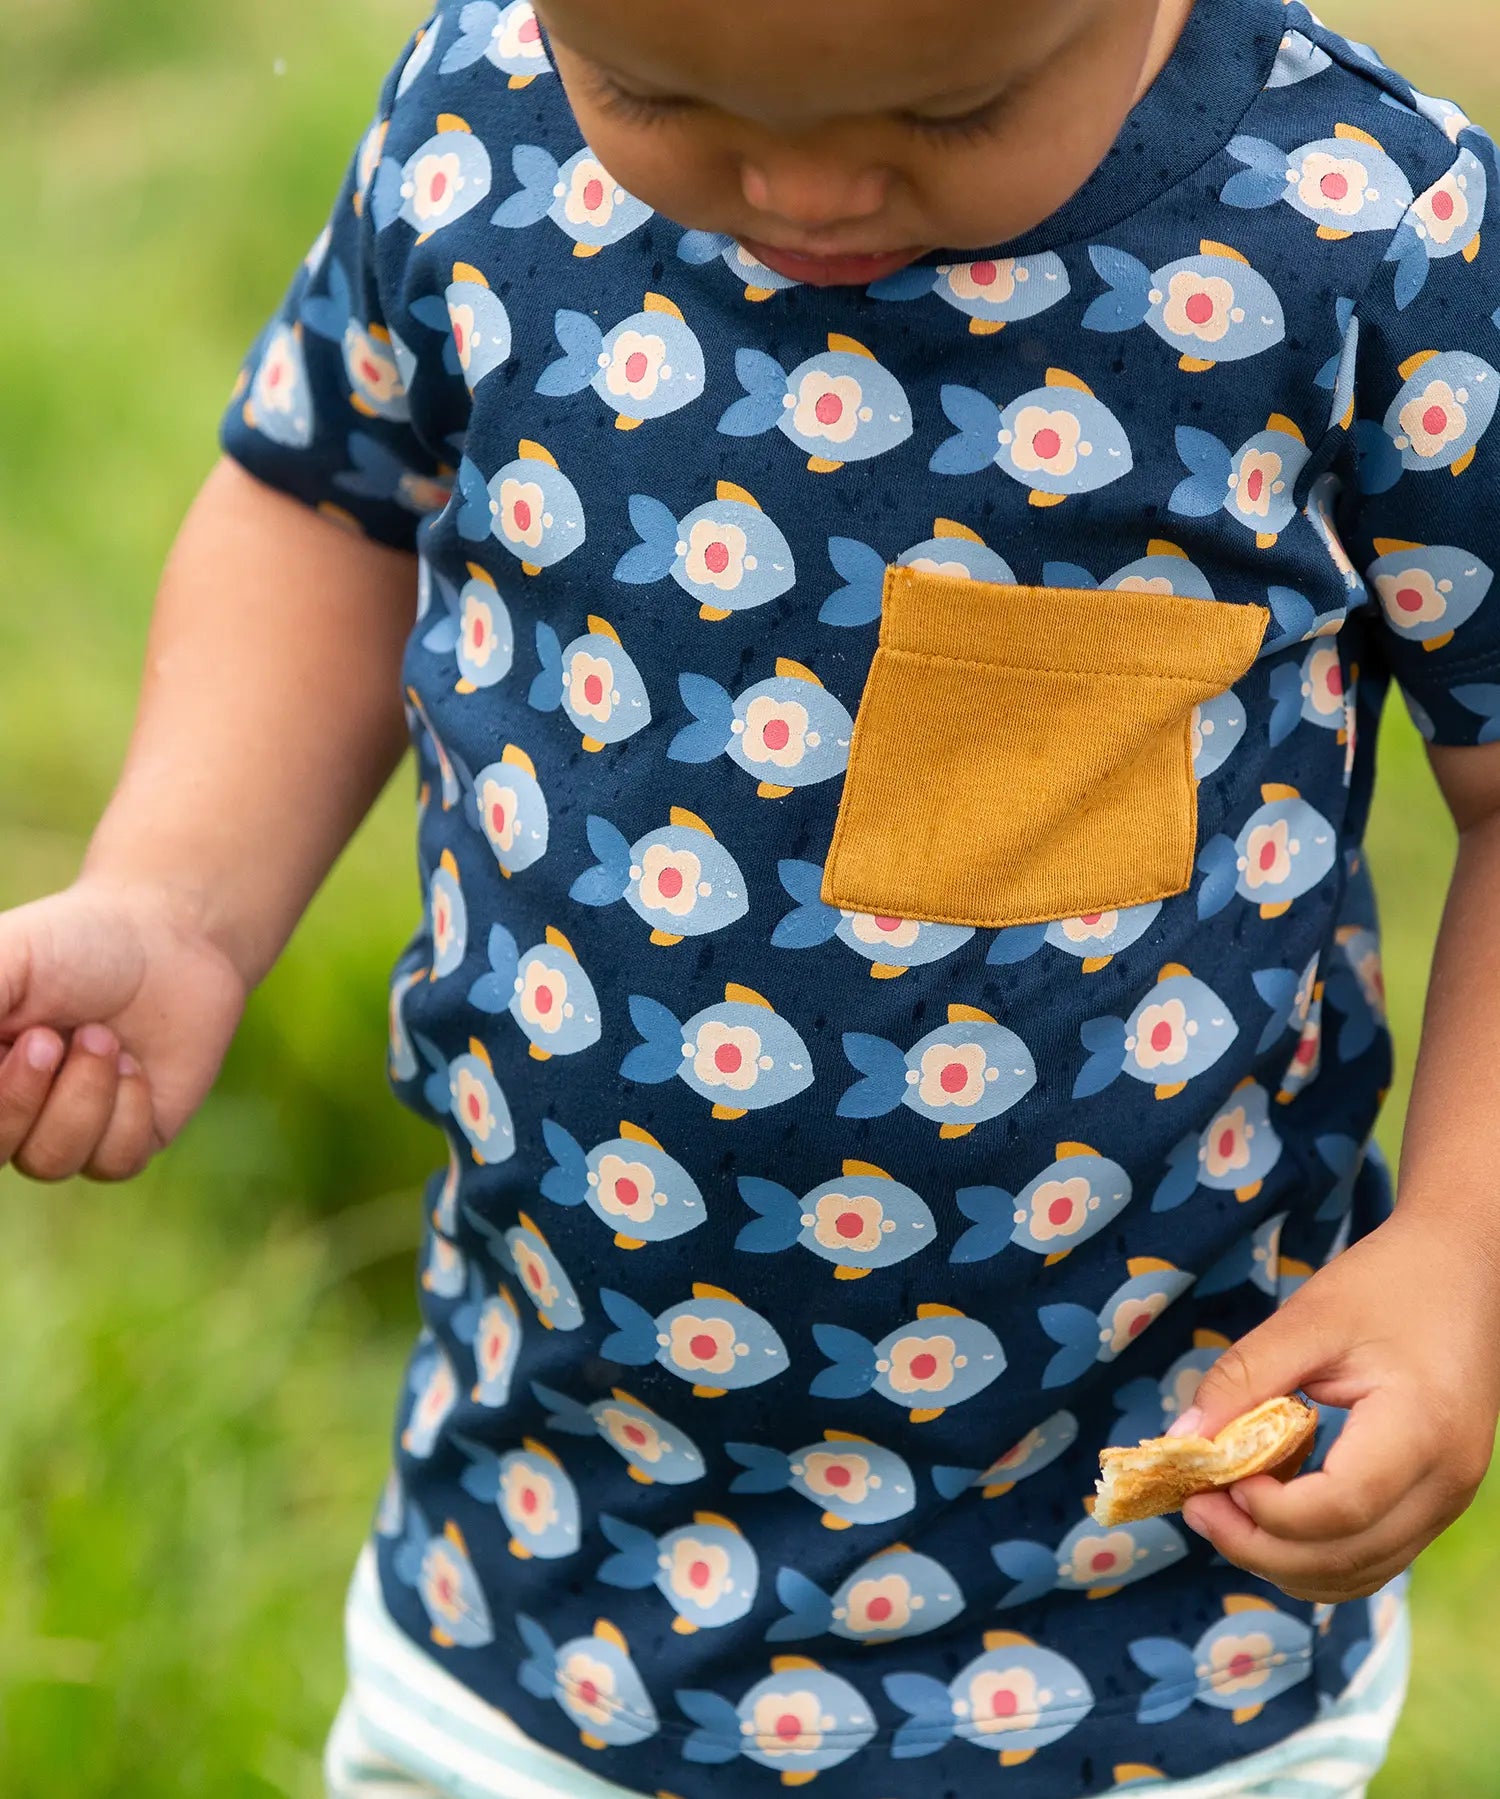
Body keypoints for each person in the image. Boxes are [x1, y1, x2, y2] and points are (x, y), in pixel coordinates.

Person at [3, 0, 1498, 1793]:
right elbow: (328, 505)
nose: (802, 188)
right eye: (657, 93)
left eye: (947, 113)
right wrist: (178, 894)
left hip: (1136, 1637)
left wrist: (1463, 1248)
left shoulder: (1353, 231)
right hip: (532, 1577)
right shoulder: (481, 124)